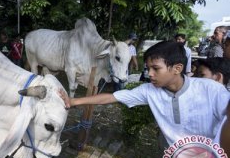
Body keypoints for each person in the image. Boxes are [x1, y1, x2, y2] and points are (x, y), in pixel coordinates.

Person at [60, 40, 229, 148]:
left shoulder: (212, 90)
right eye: (148, 69)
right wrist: (73, 101)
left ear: (177, 68)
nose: (150, 74)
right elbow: (111, 97)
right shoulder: (149, 91)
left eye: (156, 68)